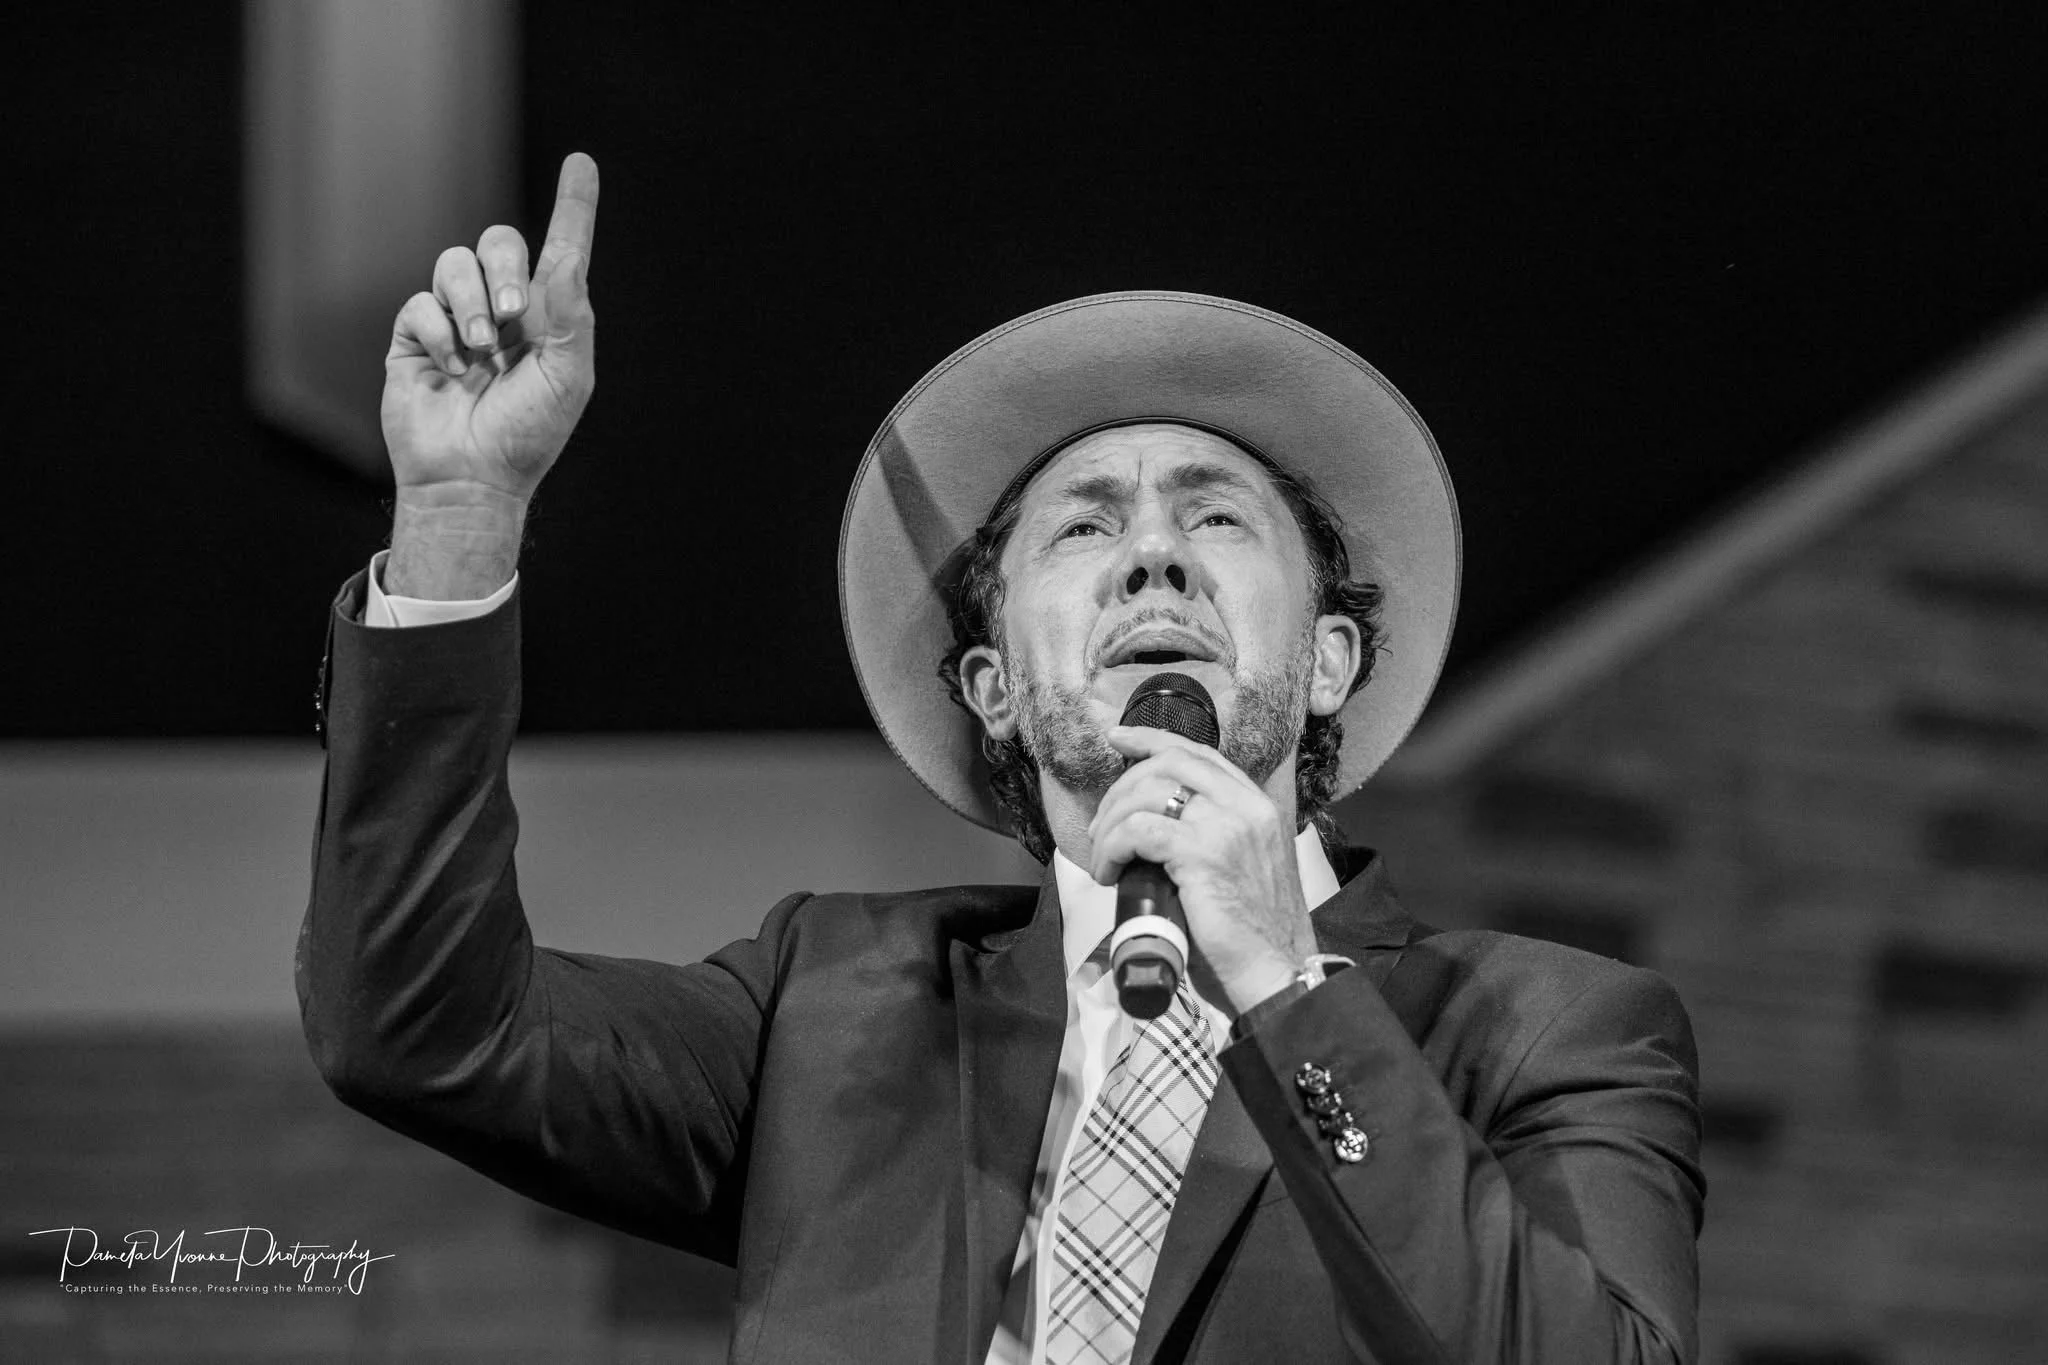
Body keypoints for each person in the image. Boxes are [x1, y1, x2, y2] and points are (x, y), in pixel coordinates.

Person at [298, 152, 1704, 1364]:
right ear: (995, 691)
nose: (1152, 551)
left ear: (1329, 660)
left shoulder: (1544, 1032)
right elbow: (420, 1030)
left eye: (1217, 519)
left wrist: (1287, 987)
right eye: (1084, 528)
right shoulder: (830, 1006)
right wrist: (461, 518)